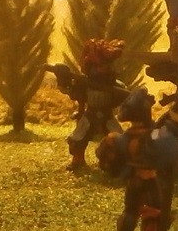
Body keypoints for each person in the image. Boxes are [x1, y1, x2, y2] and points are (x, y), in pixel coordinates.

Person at [100, 89, 176, 231]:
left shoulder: (124, 137)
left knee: (130, 211)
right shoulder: (151, 136)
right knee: (154, 212)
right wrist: (174, 124)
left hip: (133, 180)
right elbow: (168, 142)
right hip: (150, 180)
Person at [50, 38, 125, 173]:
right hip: (90, 114)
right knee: (78, 139)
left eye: (106, 66)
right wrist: (62, 79)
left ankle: (116, 162)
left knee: (119, 140)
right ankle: (77, 160)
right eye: (99, 66)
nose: (103, 69)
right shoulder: (84, 83)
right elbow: (71, 91)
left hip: (107, 116)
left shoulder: (116, 85)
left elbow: (123, 97)